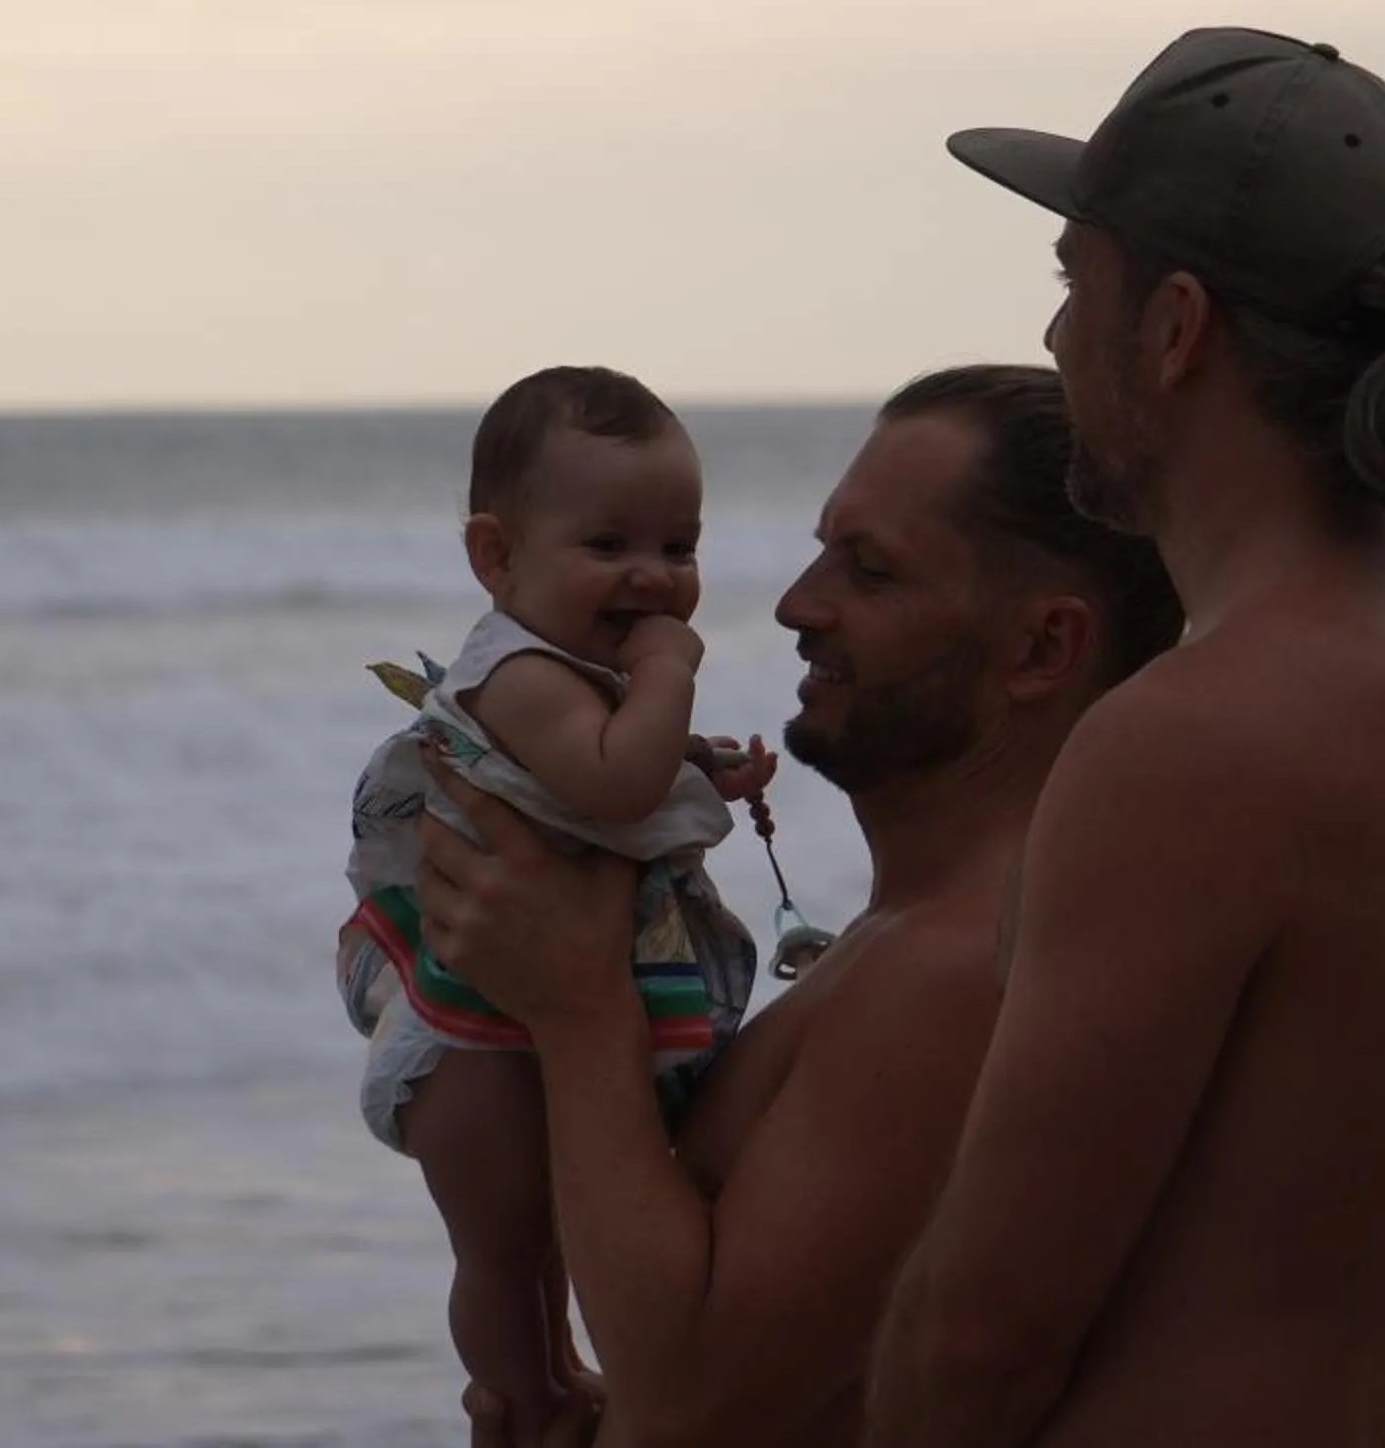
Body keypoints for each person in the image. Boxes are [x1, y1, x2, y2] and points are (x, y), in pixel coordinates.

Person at [863, 27, 1385, 1446]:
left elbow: (981, 1330)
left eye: (1077, 283)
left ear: (1177, 324)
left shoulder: (1198, 739)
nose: (1057, 336)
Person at [415, 365, 1181, 1448]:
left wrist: (579, 1010)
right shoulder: (929, 932)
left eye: (866, 568)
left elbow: (692, 1399)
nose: (795, 601)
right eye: (823, 547)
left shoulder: (958, 967)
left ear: (1043, 647)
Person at [339, 366, 767, 1447]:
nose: (653, 578)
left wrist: (703, 764)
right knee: (501, 1248)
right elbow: (614, 781)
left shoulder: (575, 667)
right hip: (468, 1043)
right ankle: (520, 1397)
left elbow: (619, 774)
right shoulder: (520, 674)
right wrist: (676, 671)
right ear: (497, 556)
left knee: (552, 1239)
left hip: (514, 1023)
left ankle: (558, 1374)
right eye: (610, 545)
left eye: (679, 548)